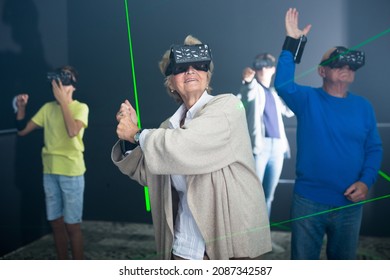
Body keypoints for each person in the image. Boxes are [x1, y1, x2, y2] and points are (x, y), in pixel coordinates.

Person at [111, 35, 272, 260]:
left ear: (208, 75)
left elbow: (186, 145)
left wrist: (137, 134)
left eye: (199, 65)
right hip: (183, 245)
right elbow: (149, 171)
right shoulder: (167, 127)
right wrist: (130, 139)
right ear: (170, 81)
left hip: (227, 244)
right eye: (181, 67)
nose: (191, 71)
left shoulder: (228, 107)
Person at [274, 8, 383, 259]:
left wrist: (366, 181)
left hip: (349, 205)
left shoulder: (363, 106)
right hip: (308, 201)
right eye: (337, 63)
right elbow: (282, 84)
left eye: (349, 64)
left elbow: (373, 149)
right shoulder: (307, 99)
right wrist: (293, 42)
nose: (345, 67)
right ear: (322, 71)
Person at [15, 65, 89, 260]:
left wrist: (63, 101)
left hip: (72, 172)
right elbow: (22, 130)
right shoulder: (48, 109)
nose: (62, 83)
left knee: (72, 225)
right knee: (56, 223)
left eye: (66, 78)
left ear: (73, 84)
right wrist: (21, 108)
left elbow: (72, 131)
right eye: (59, 78)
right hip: (50, 172)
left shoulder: (81, 108)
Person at [239, 53, 294, 219]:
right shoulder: (253, 88)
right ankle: (248, 239)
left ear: (273, 69)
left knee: (268, 197)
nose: (263, 68)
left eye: (267, 64)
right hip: (259, 148)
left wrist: (286, 88)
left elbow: (290, 111)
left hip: (277, 148)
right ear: (254, 68)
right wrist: (247, 81)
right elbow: (247, 95)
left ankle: (263, 238)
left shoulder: (275, 93)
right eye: (259, 64)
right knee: (251, 196)